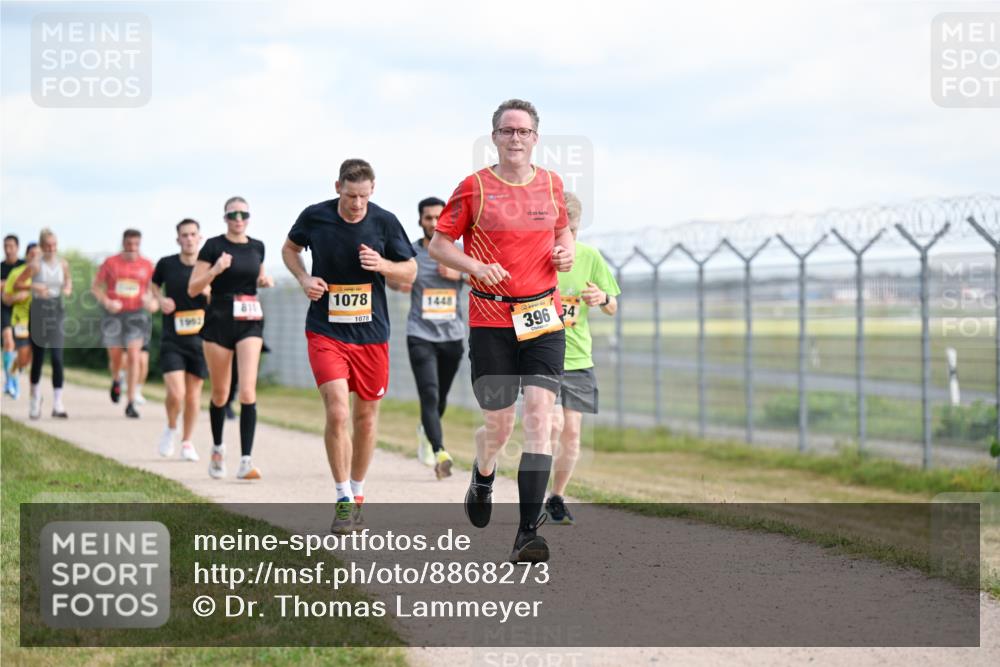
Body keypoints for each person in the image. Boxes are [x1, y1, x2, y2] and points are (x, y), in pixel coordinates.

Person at [429, 99, 574, 563]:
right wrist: (474, 265)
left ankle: (528, 533)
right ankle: (484, 472)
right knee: (500, 423)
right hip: (491, 320)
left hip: (542, 318)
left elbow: (563, 233)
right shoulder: (474, 188)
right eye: (507, 131)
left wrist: (565, 252)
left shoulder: (552, 185)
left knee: (539, 420)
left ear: (535, 137)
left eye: (524, 131)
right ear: (494, 137)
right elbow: (439, 244)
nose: (516, 138)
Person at [282, 158, 416, 534]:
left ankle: (357, 492)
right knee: (338, 412)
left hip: (372, 335)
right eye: (350, 194)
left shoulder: (385, 221)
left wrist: (384, 265)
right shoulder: (315, 216)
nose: (357, 203)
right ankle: (342, 497)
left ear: (373, 190)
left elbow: (411, 270)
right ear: (337, 186)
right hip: (326, 330)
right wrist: (303, 277)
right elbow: (289, 250)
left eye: (363, 196)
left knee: (366, 418)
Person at [545, 193, 619, 524]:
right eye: (561, 231)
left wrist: (601, 297)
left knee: (571, 432)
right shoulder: (535, 257)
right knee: (550, 425)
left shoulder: (590, 257)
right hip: (541, 354)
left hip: (577, 359)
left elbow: (612, 306)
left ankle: (556, 496)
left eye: (573, 231)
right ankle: (530, 494)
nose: (569, 239)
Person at [189, 196, 273, 480]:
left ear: (249, 217)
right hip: (219, 319)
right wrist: (215, 270)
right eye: (232, 214)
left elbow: (258, 276)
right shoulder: (213, 246)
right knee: (220, 393)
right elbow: (193, 288)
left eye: (243, 214)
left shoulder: (258, 246)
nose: (238, 219)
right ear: (225, 218)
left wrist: (264, 280)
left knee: (248, 391)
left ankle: (246, 460)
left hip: (250, 319)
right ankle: (217, 449)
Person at [388, 196, 465, 480]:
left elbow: (482, 275)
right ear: (420, 220)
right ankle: (440, 451)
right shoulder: (410, 253)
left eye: (438, 217)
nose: (433, 222)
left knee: (440, 396)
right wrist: (400, 281)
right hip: (420, 333)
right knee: (429, 393)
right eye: (428, 218)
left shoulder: (458, 251)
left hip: (452, 335)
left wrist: (459, 273)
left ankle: (426, 431)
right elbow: (392, 278)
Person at [151, 219, 209, 462]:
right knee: (176, 393)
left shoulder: (209, 267)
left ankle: (186, 441)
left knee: (194, 395)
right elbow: (153, 285)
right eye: (184, 235)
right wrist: (160, 300)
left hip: (201, 339)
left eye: (193, 234)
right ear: (178, 239)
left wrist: (210, 293)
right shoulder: (166, 264)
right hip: (172, 338)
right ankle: (171, 427)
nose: (188, 239)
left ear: (200, 238)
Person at [92, 229, 156, 418]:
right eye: (129, 244)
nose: (132, 248)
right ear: (123, 243)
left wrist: (150, 300)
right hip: (114, 314)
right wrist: (107, 302)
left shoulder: (147, 265)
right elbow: (96, 287)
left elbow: (153, 290)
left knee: (135, 356)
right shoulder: (111, 263)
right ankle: (116, 379)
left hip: (136, 315)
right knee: (116, 355)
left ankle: (130, 403)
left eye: (136, 245)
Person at [25, 228, 73, 419]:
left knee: (57, 358)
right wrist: (34, 285)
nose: (51, 248)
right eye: (47, 246)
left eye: (54, 245)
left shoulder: (63, 264)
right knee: (38, 358)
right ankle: (35, 399)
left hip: (56, 310)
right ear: (42, 247)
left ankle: (58, 403)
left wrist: (68, 287)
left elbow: (68, 281)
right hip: (38, 310)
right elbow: (18, 283)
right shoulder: (35, 265)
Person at [3, 243, 39, 407]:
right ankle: (11, 381)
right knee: (22, 353)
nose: (34, 257)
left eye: (37, 254)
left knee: (28, 358)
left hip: (39, 319)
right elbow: (6, 298)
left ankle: (13, 371)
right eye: (31, 254)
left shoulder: (44, 274)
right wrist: (19, 297)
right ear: (26, 256)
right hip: (21, 319)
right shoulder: (17, 273)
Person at [2, 234, 25, 397]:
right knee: (8, 341)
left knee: (20, 349)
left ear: (17, 248)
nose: (8, 250)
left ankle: (14, 379)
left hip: (22, 311)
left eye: (11, 246)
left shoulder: (24, 266)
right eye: (5, 246)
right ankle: (9, 380)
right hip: (4, 308)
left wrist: (5, 284)